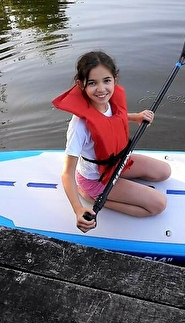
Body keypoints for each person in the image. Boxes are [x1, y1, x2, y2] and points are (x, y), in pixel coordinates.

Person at [52, 51, 170, 233]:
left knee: (164, 172)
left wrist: (136, 117)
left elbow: (112, 119)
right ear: (80, 84)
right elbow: (67, 174)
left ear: (115, 79)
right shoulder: (79, 126)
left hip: (116, 165)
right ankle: (92, 197)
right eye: (92, 83)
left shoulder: (110, 103)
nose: (101, 89)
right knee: (158, 204)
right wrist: (78, 209)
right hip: (94, 179)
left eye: (106, 81)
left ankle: (99, 192)